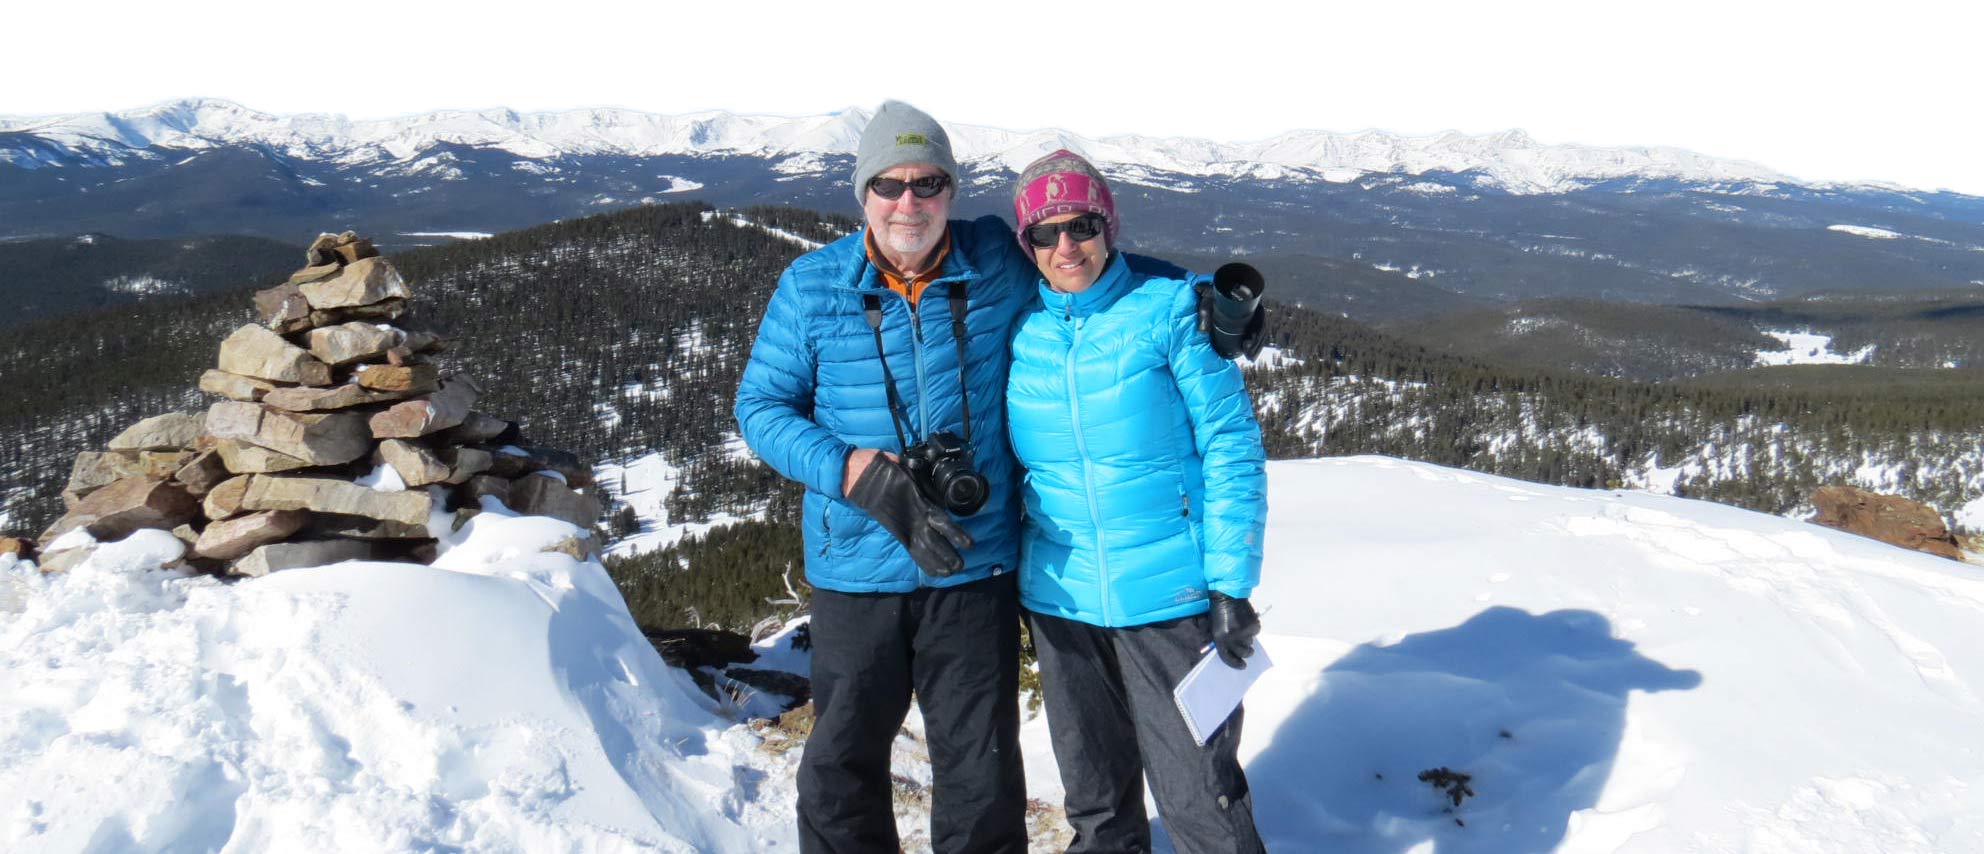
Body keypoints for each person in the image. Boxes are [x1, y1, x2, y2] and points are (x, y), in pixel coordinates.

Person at [735, 101, 1261, 853]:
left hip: (973, 566)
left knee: (980, 772)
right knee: (843, 762)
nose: (908, 202)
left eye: (928, 183)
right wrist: (849, 469)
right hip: (856, 563)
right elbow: (758, 407)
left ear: (952, 190)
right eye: (889, 185)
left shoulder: (993, 260)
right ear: (862, 194)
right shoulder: (812, 285)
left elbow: (1087, 265)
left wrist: (1207, 296)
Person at [1005, 149, 1269, 853]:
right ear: (1025, 242)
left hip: (1170, 603)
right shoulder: (1018, 327)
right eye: (1045, 232)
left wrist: (1231, 584)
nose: (1066, 246)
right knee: (1096, 807)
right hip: (1062, 604)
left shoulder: (1174, 311)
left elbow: (1232, 448)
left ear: (1109, 226)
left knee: (1200, 800)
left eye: (1083, 225)